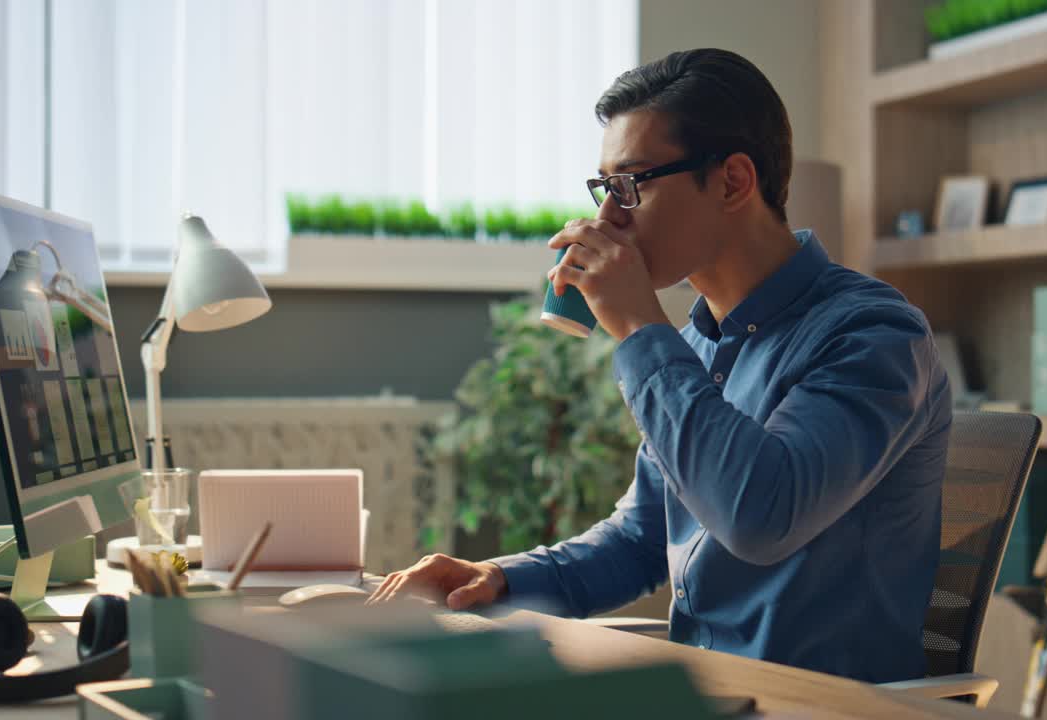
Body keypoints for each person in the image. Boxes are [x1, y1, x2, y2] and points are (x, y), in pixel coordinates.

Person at [368, 48, 951, 684]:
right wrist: (499, 578)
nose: (608, 218)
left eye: (630, 185)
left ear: (732, 182)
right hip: (707, 692)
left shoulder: (873, 334)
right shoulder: (698, 345)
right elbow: (643, 537)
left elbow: (761, 516)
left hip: (820, 703)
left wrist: (641, 328)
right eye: (603, 188)